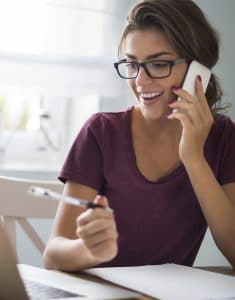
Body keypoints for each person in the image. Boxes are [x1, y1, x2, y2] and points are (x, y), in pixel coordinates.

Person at [43, 0, 235, 271]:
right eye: (132, 64)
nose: (140, 82)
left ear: (198, 72)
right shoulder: (101, 133)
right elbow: (53, 254)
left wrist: (193, 158)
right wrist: (88, 250)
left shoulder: (224, 138)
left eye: (158, 64)